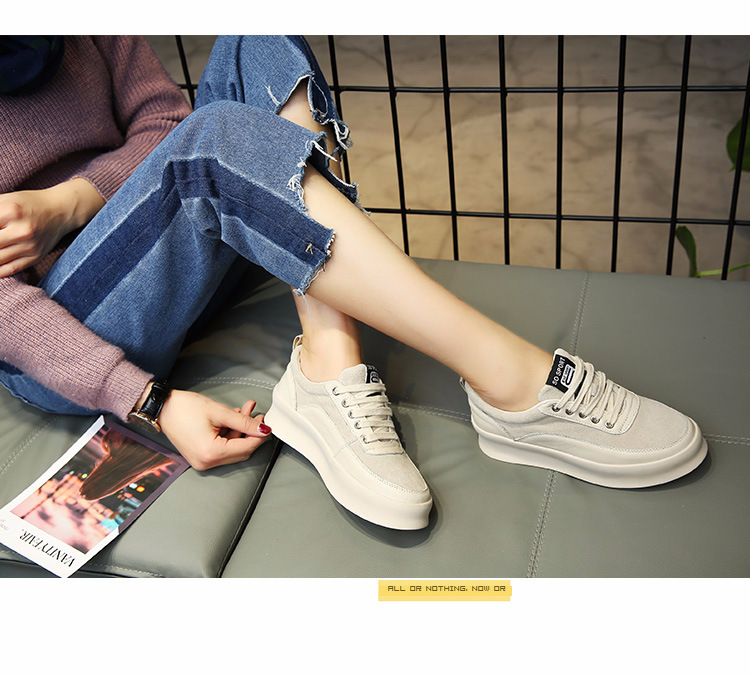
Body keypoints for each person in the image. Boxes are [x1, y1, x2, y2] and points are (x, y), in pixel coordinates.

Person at [0, 36, 707, 531]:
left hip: (163, 243)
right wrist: (148, 401)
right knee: (213, 144)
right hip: (63, 328)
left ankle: (328, 362)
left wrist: (71, 201)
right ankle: (511, 381)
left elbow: (160, 122)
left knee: (259, 39)